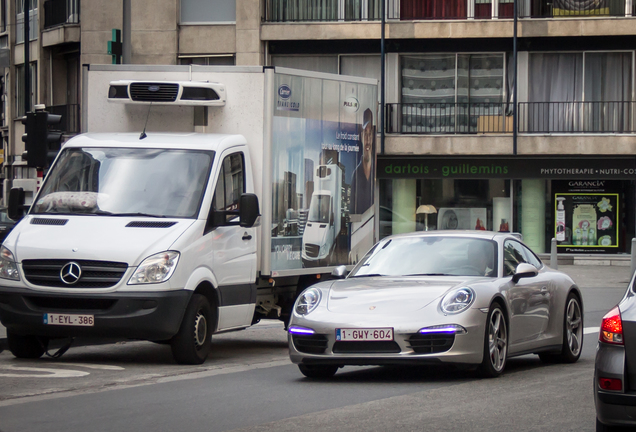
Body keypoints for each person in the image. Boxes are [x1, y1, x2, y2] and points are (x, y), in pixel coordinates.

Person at [351, 108, 374, 214]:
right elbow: (352, 210)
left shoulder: (377, 171)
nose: (368, 140)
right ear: (361, 136)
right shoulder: (355, 175)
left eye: (370, 134)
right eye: (365, 134)